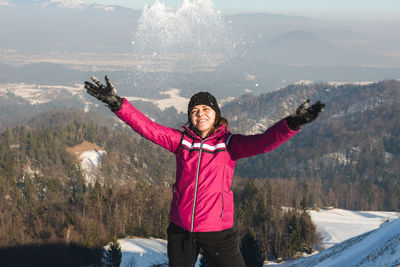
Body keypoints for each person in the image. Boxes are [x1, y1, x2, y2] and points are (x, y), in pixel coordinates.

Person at [84, 76, 325, 267]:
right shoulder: (181, 141)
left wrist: (292, 123)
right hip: (181, 229)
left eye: (206, 109)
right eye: (195, 110)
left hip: (217, 230)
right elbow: (148, 128)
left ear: (216, 114)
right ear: (190, 117)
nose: (201, 114)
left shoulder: (230, 145)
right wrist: (117, 104)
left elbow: (264, 142)